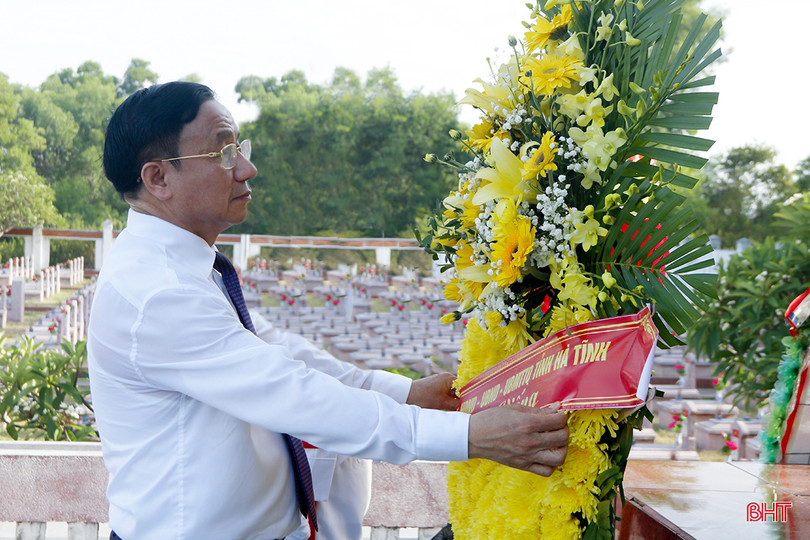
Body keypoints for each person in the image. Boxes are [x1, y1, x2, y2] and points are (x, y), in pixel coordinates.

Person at [88, 81, 569, 540]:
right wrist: (469, 436)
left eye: (240, 148)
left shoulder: (183, 268)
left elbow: (283, 355)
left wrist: (408, 393)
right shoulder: (157, 292)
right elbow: (297, 396)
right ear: (158, 178)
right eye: (224, 152)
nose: (247, 169)